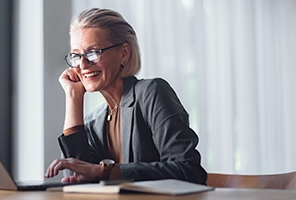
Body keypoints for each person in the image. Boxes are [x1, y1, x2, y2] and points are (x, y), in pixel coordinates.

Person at [44, 8, 207, 185]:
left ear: (124, 53)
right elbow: (77, 179)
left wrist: (103, 172)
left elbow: (188, 170)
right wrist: (73, 98)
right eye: (76, 55)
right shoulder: (95, 121)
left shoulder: (152, 92)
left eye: (93, 52)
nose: (83, 64)